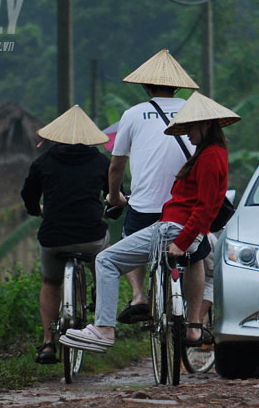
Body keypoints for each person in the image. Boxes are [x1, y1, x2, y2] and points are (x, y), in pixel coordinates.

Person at [60, 92, 239, 351]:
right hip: (173, 228)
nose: (187, 133)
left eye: (190, 127)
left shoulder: (211, 157)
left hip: (172, 230)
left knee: (105, 260)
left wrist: (183, 240)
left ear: (206, 124)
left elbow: (206, 205)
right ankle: (190, 325)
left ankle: (104, 328)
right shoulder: (209, 153)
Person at [106, 49, 209, 324]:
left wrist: (115, 195)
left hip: (145, 207)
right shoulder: (194, 112)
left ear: (145, 85)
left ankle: (139, 295)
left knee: (129, 239)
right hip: (186, 208)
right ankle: (195, 323)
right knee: (195, 256)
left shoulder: (133, 114)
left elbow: (116, 166)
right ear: (177, 85)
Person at [20, 105, 113, 364]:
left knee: (50, 282)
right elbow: (113, 195)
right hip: (91, 236)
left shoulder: (43, 162)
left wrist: (34, 210)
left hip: (53, 237)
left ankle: (48, 343)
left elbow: (28, 195)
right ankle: (97, 301)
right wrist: (110, 210)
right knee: (103, 258)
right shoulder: (100, 161)